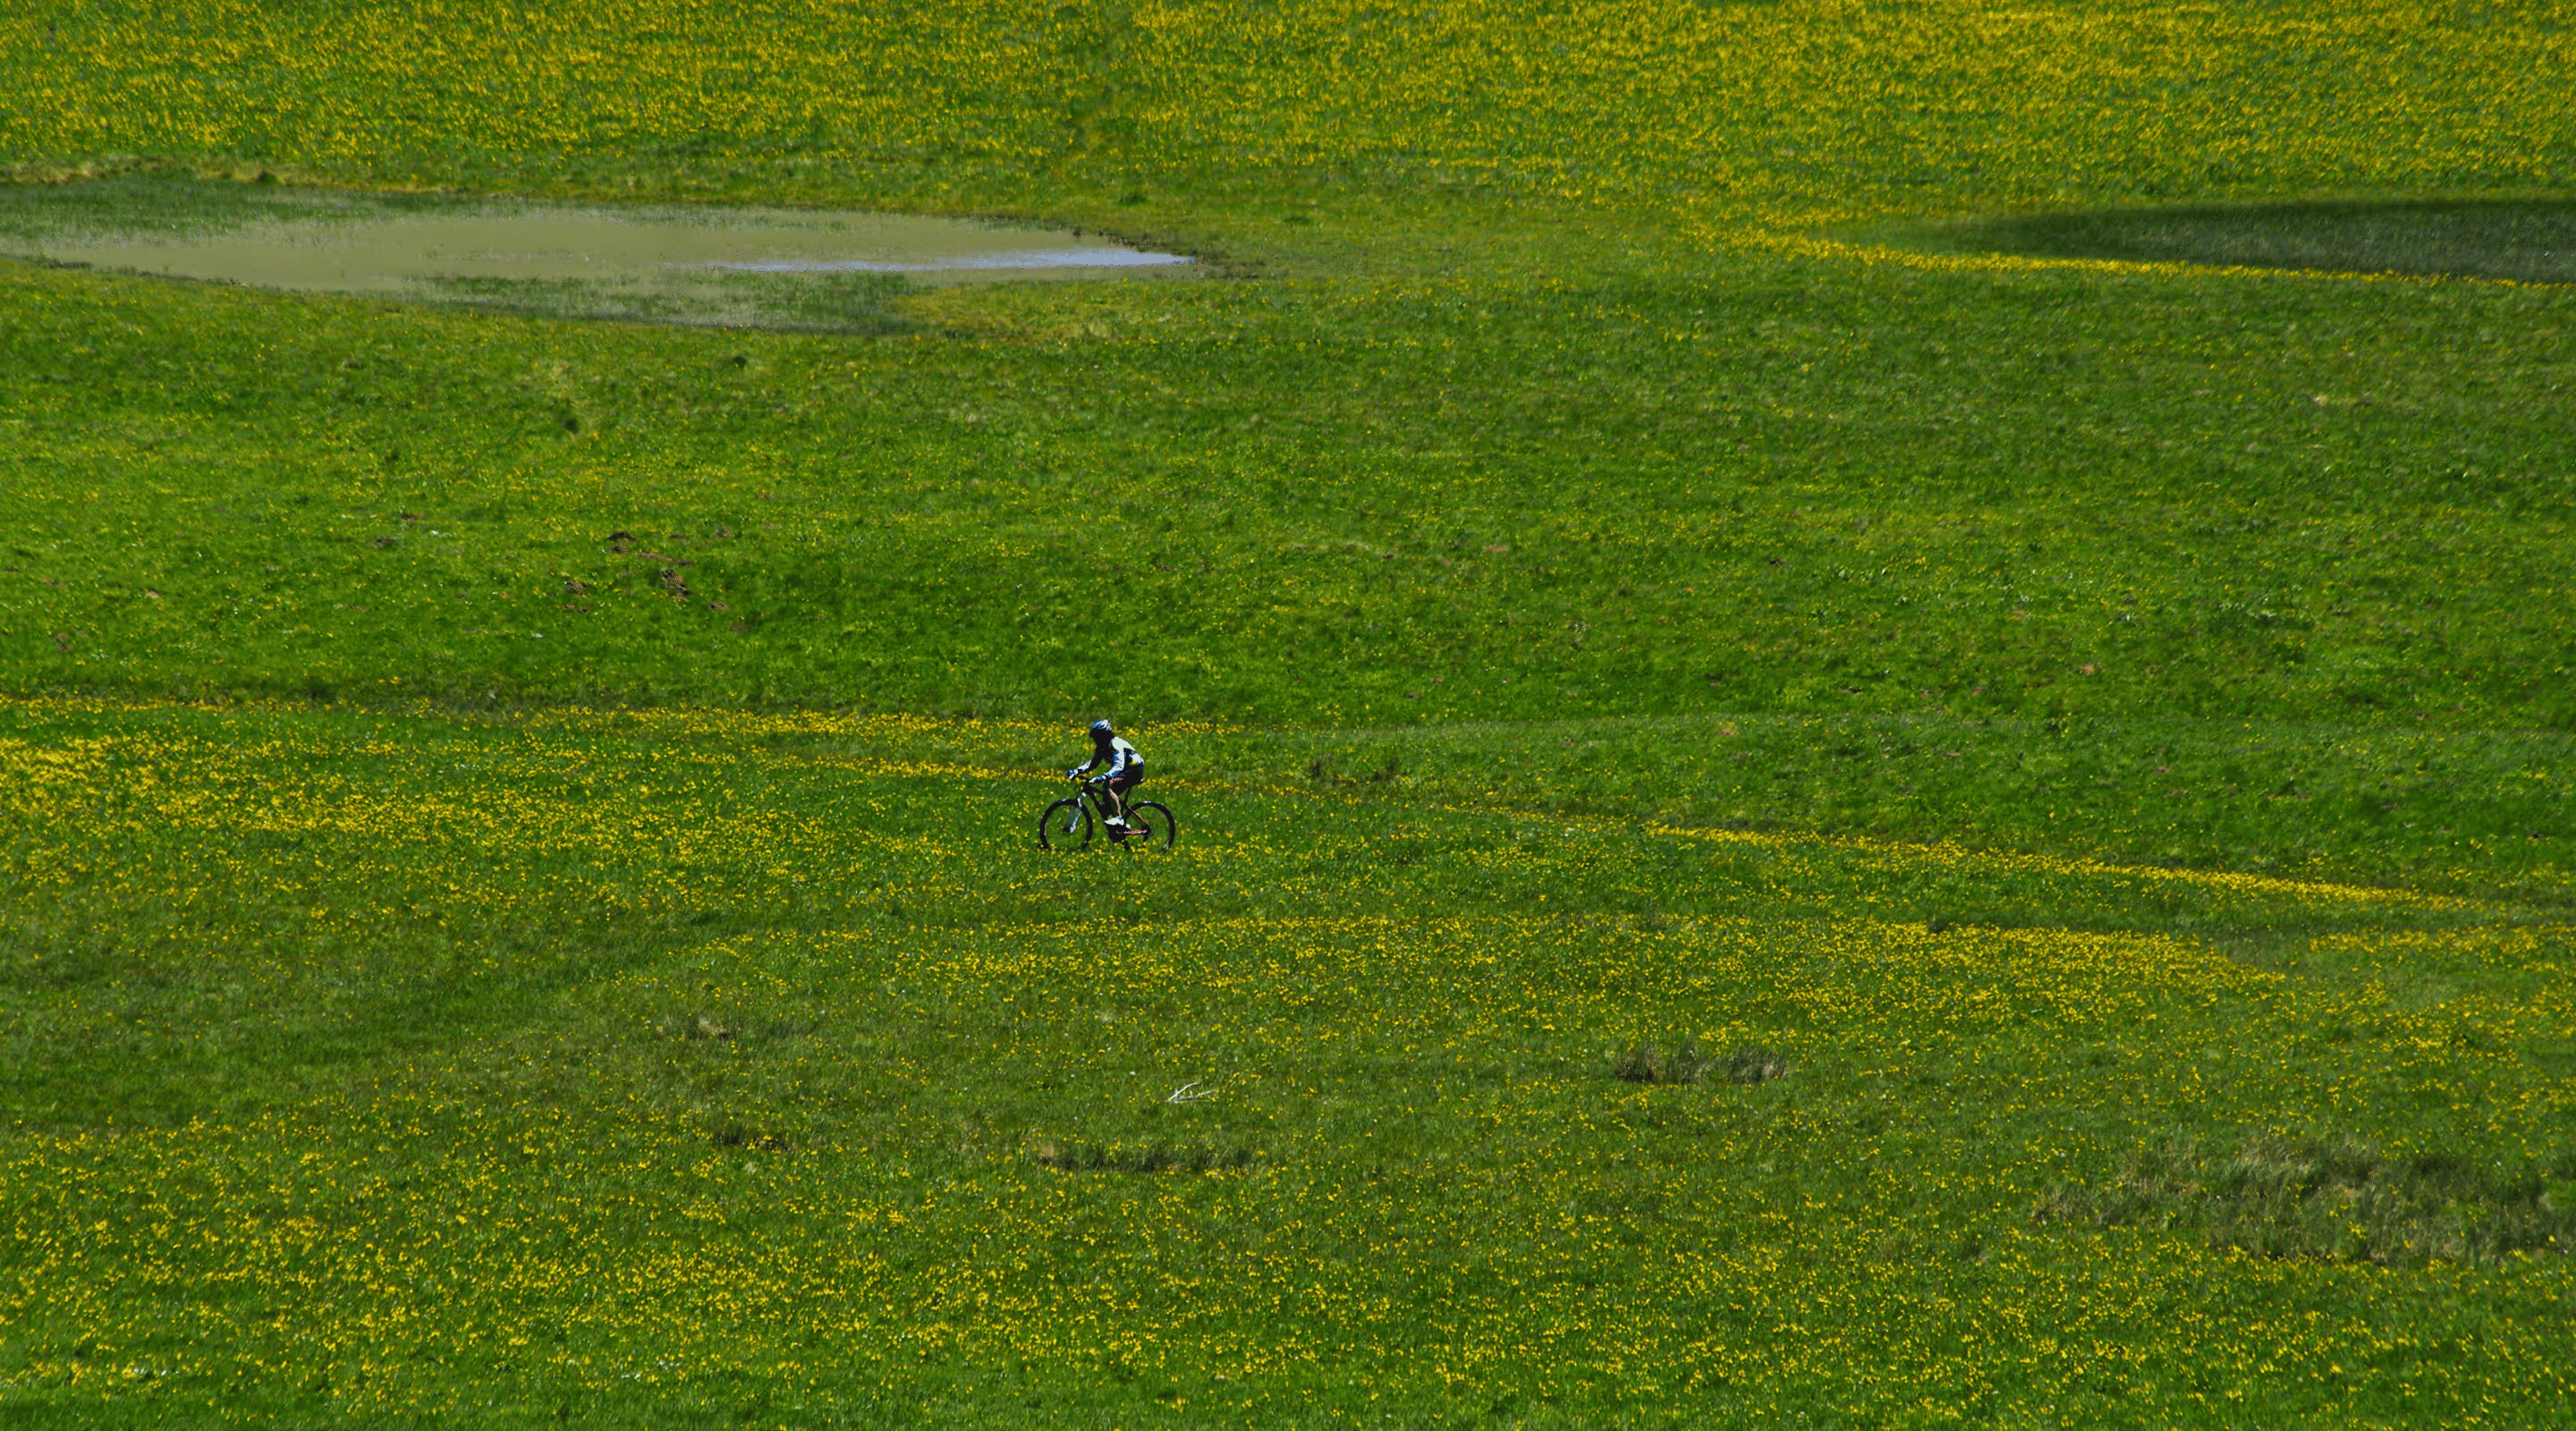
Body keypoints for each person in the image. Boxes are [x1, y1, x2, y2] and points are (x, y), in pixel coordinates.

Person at [1068, 719, 1145, 832]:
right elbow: (1092, 764)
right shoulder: (1101, 747)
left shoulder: (1115, 744)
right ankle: (1120, 829)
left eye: (1097, 737)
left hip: (1135, 769)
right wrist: (1077, 770)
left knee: (1108, 785)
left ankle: (1119, 819)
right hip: (1126, 769)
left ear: (1104, 736)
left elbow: (1119, 765)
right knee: (1107, 799)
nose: (1095, 741)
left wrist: (1105, 776)